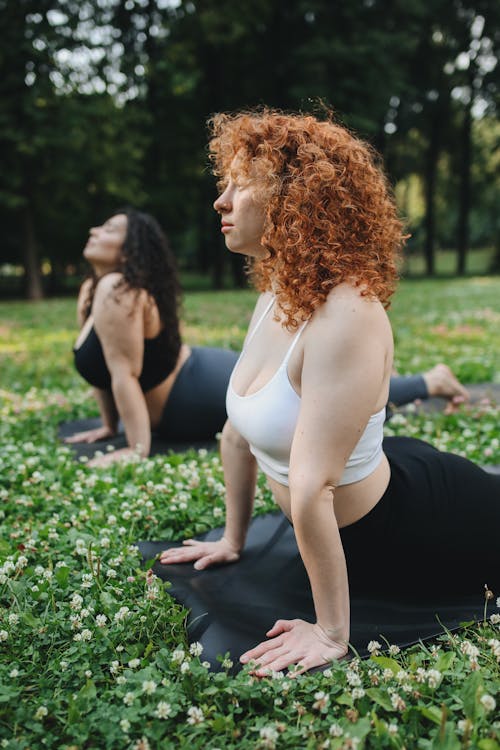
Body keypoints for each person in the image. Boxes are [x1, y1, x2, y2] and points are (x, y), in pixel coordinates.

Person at [159, 109, 499, 676]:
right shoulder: (276, 292)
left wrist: (331, 633)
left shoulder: (349, 313)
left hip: (414, 526)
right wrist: (233, 540)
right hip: (390, 476)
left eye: (241, 187)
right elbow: (236, 433)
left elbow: (314, 486)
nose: (221, 202)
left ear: (295, 201)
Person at [67, 208, 238, 467]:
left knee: (280, 397)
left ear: (129, 250)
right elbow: (103, 363)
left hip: (197, 390)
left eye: (109, 229)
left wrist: (136, 450)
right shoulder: (92, 289)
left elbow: (125, 373)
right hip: (193, 372)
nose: (94, 231)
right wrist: (109, 426)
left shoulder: (119, 290)